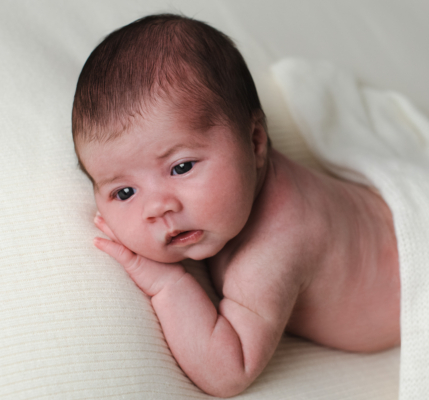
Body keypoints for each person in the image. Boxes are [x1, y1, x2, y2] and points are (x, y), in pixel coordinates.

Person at [72, 13, 400, 398]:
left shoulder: (274, 247)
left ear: (256, 142)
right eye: (124, 193)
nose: (157, 207)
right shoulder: (241, 183)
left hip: (411, 278)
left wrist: (167, 284)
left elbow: (228, 370)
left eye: (181, 167)